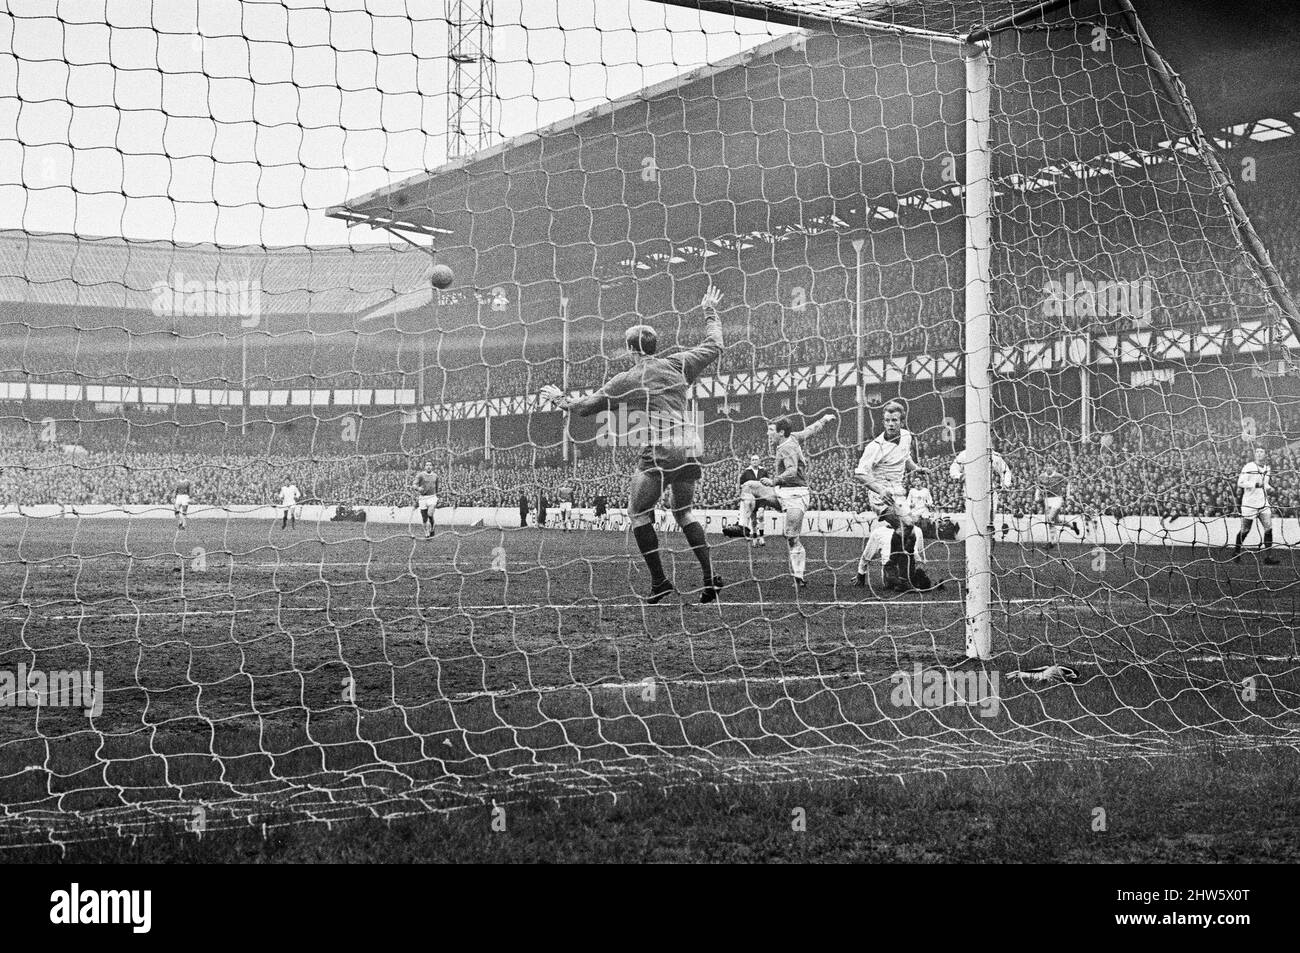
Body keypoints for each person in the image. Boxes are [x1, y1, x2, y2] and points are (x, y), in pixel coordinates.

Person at [541, 286, 725, 604]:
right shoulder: (679, 362)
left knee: (638, 513)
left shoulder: (630, 377)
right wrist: (709, 310)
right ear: (655, 345)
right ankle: (710, 579)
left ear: (630, 349)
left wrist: (559, 399)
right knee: (684, 512)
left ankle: (659, 582)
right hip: (691, 445)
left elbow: (586, 407)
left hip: (662, 446)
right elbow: (715, 345)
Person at [853, 400, 928, 587]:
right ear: (883, 422)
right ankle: (890, 565)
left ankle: (904, 578)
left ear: (901, 421)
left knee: (909, 534)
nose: (891, 424)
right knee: (907, 525)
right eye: (887, 420)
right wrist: (880, 489)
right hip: (880, 495)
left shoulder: (907, 436)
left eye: (894, 420)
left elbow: (905, 457)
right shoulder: (875, 446)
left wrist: (916, 468)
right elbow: (860, 473)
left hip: (899, 492)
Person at [765, 412, 836, 588]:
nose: (768, 434)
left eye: (771, 430)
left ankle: (799, 576)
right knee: (750, 487)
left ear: (781, 432)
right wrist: (824, 419)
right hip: (780, 491)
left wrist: (773, 480)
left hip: (796, 493)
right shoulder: (793, 437)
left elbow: (791, 471)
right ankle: (744, 525)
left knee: (791, 536)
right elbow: (809, 430)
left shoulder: (787, 447)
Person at [1233, 445, 1280, 564]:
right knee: (1245, 530)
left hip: (1263, 503)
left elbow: (1265, 484)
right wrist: (1255, 484)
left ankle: (1268, 557)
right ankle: (1236, 552)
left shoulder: (1267, 468)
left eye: (1261, 452)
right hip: (1249, 503)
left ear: (1265, 454)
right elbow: (1241, 482)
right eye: (1257, 452)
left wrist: (1271, 488)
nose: (1259, 454)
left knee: (1268, 528)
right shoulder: (1249, 466)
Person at [738, 453, 769, 545]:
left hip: (761, 497)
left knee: (761, 515)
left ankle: (762, 537)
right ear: (750, 462)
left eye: (756, 459)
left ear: (759, 461)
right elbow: (740, 484)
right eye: (753, 460)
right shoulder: (746, 472)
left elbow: (768, 482)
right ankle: (755, 537)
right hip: (751, 499)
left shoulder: (763, 471)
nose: (755, 461)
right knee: (754, 519)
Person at [412, 461, 439, 539]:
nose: (428, 466)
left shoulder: (435, 476)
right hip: (423, 498)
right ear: (424, 467)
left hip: (432, 497)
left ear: (432, 467)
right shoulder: (420, 475)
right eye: (427, 465)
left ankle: (432, 528)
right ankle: (426, 533)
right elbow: (414, 484)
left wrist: (437, 496)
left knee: (430, 514)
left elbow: (437, 487)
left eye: (430, 465)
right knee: (424, 518)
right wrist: (418, 488)